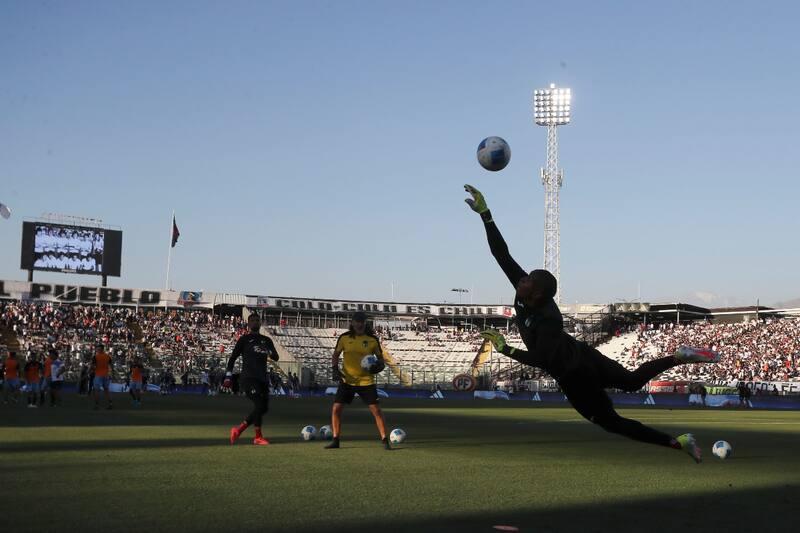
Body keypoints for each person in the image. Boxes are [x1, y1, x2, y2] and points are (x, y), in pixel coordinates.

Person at [464, 184, 720, 463]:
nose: (520, 280)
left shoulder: (549, 318)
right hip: (584, 355)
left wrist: (505, 349)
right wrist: (486, 215)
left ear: (537, 293)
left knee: (611, 422)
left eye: (527, 280)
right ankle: (678, 357)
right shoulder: (530, 293)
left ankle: (678, 443)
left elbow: (541, 359)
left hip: (574, 377)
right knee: (632, 382)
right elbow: (502, 255)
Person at [325, 312, 391, 450]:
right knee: (336, 409)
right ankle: (336, 439)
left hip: (366, 381)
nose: (359, 324)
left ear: (365, 323)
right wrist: (335, 369)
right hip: (347, 380)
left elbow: (380, 359)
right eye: (357, 321)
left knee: (376, 411)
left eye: (362, 321)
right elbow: (336, 354)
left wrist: (378, 366)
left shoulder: (372, 339)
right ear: (352, 323)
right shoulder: (344, 338)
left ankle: (385, 440)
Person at [224, 313, 279, 446]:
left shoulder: (267, 340)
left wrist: (269, 352)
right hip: (248, 378)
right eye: (252, 320)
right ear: (248, 324)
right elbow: (232, 358)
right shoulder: (244, 339)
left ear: (260, 323)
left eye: (257, 320)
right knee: (259, 405)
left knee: (263, 408)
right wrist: (228, 376)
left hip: (262, 379)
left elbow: (276, 357)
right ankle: (257, 437)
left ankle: (238, 430)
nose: (255, 322)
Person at [91, 344, 113, 410]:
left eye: (98, 349)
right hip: (106, 375)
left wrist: (89, 371)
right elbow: (111, 365)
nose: (97, 350)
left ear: (100, 349)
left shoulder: (96, 357)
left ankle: (96, 405)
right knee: (106, 390)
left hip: (98, 375)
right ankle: (110, 403)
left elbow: (93, 366)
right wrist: (113, 373)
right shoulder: (107, 356)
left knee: (96, 390)